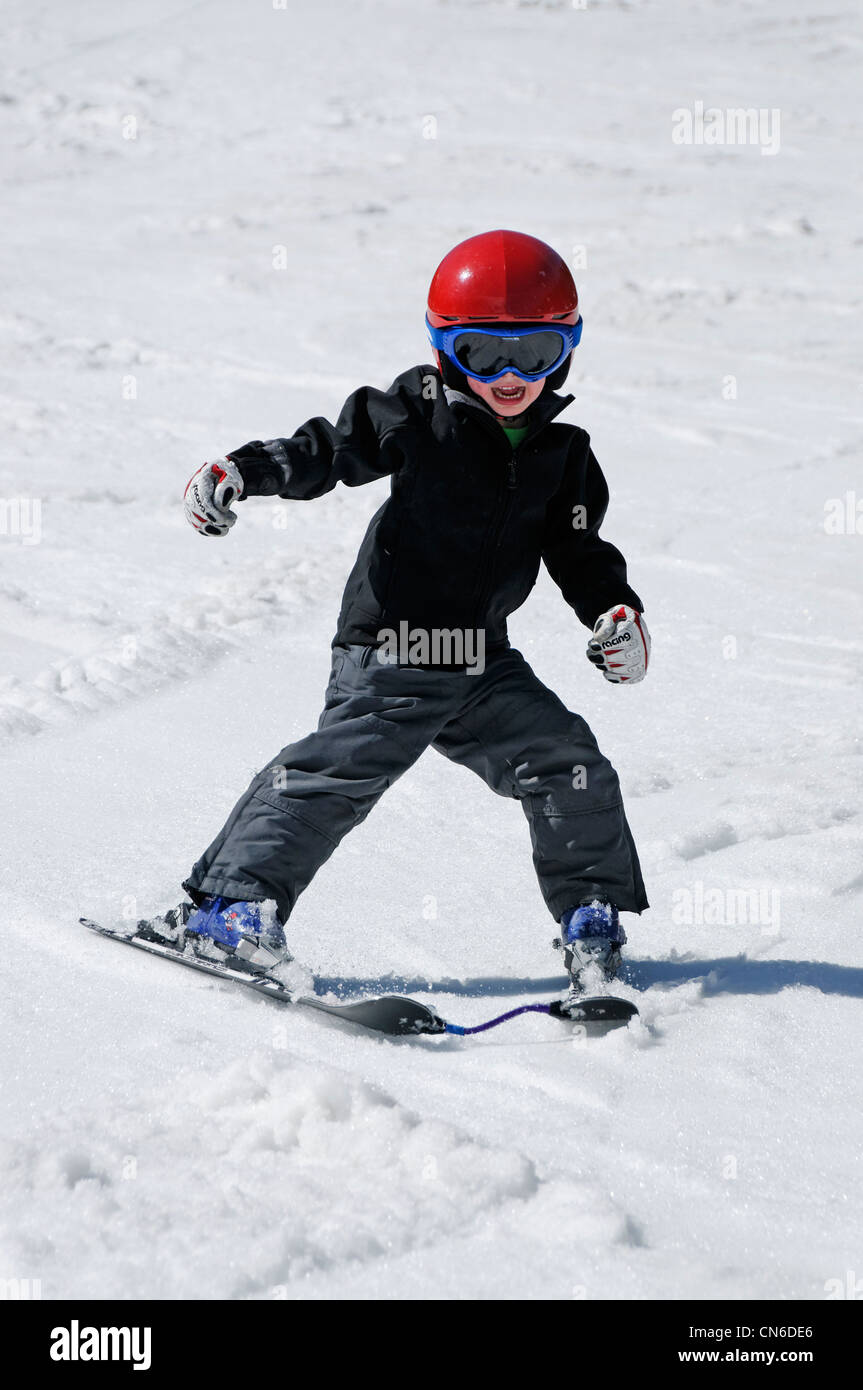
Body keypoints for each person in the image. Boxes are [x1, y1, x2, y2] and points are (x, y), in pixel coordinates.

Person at [155, 229, 650, 1010]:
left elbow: (580, 553)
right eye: (484, 354)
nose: (512, 375)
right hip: (393, 644)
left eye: (536, 352)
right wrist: (245, 471)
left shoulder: (564, 452)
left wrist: (614, 611)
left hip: (481, 658)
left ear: (568, 347)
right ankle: (229, 907)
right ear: (445, 349)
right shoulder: (415, 412)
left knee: (565, 759)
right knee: (344, 766)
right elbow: (328, 451)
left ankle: (590, 917)